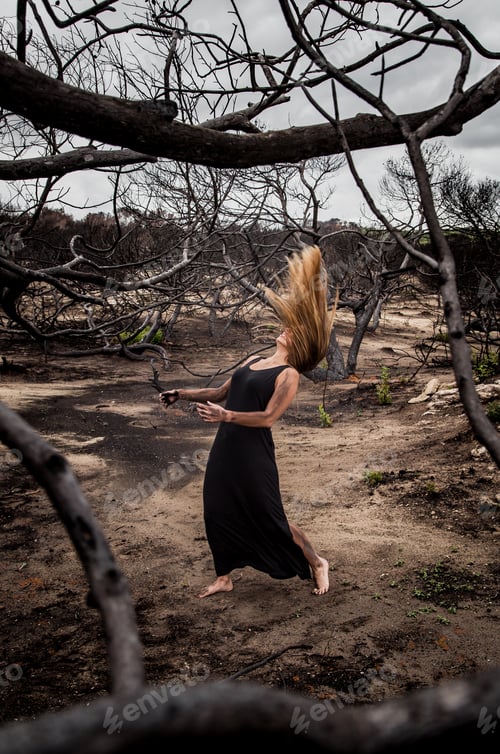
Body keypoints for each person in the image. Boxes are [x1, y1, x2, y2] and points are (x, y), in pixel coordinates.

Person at [159, 244, 336, 599]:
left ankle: (317, 562)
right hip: (226, 449)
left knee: (271, 517)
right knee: (216, 509)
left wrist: (227, 417)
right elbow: (223, 391)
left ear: (300, 345)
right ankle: (224, 576)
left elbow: (269, 417)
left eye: (293, 332)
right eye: (288, 328)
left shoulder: (289, 374)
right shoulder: (257, 361)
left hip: (253, 454)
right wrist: (182, 393)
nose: (287, 330)